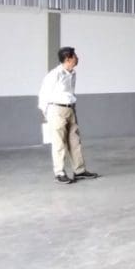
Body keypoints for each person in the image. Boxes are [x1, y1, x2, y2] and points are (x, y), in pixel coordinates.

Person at [37, 47, 99, 184]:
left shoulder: (72, 73)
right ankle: (59, 173)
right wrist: (47, 114)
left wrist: (73, 108)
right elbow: (43, 95)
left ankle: (79, 171)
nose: (77, 58)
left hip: (70, 109)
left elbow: (70, 93)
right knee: (58, 143)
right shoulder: (54, 75)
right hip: (56, 110)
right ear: (68, 59)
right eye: (75, 56)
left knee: (75, 141)